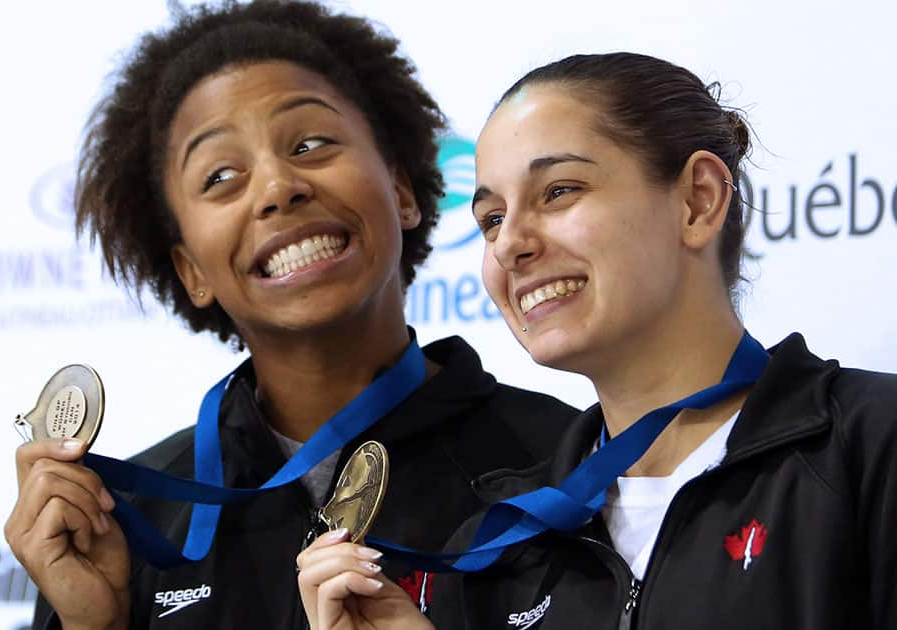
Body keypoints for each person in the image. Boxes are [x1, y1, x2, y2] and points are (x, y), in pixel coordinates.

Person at [2, 2, 579, 629]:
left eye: (310, 143)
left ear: (402, 189)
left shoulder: (568, 465)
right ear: (190, 269)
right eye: (221, 176)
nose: (279, 187)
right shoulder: (128, 521)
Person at [296, 52, 897, 629]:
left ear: (698, 200)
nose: (509, 245)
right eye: (492, 219)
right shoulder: (496, 550)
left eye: (558, 191)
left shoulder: (871, 447)